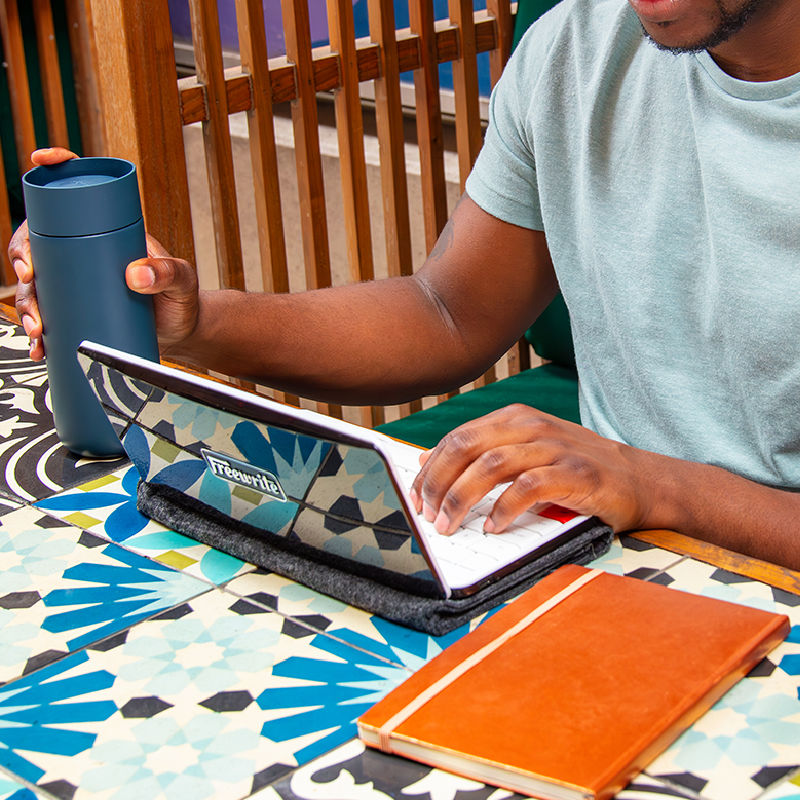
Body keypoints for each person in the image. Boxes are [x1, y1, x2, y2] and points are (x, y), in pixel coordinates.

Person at [10, 0, 800, 570]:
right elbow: (446, 312)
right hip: (599, 544)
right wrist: (192, 321)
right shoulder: (575, 48)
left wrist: (656, 485)